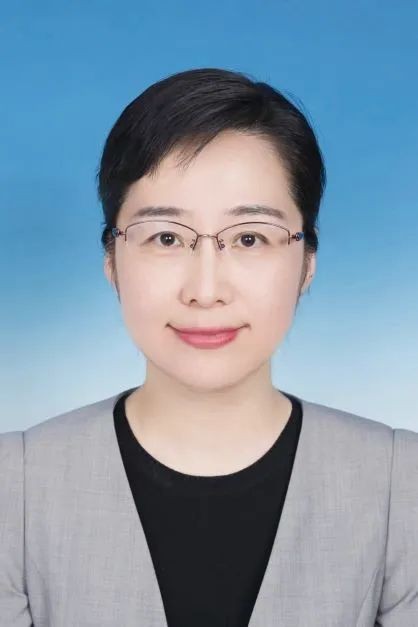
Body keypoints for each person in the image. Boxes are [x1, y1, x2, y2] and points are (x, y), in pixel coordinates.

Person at [1, 67, 417, 627]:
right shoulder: (15, 488)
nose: (205, 290)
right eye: (166, 238)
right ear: (112, 261)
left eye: (249, 238)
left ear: (307, 263)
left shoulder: (401, 485)